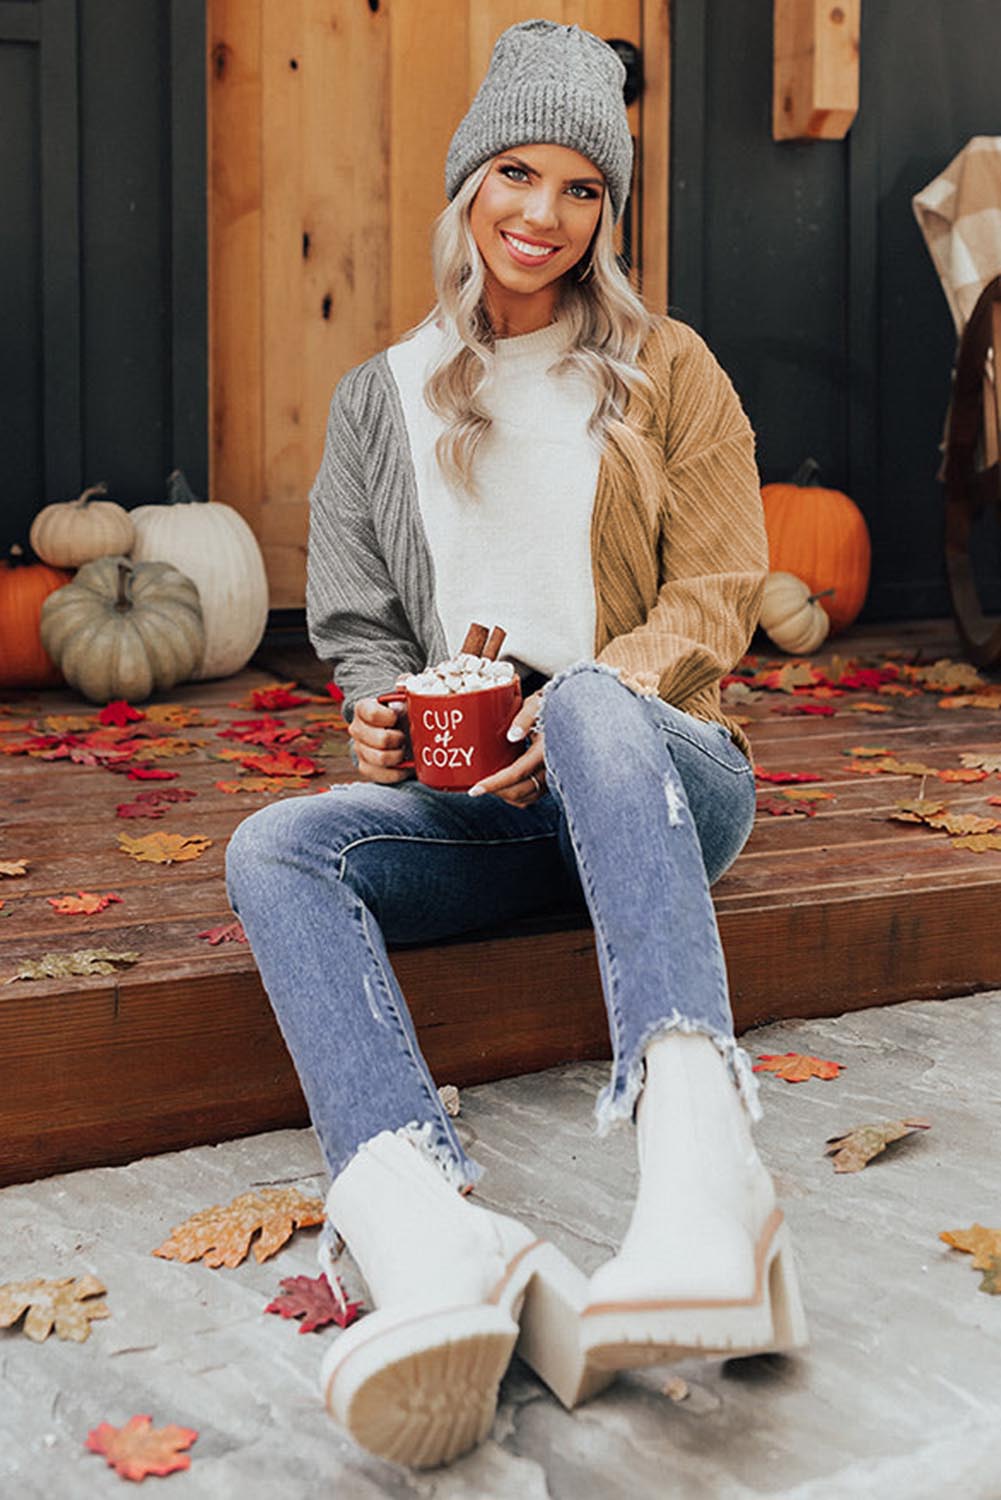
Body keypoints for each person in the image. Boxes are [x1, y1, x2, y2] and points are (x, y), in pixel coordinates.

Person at [225, 18, 807, 1472]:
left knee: (602, 705)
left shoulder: (667, 370)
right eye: (513, 175)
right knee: (277, 847)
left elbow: (719, 589)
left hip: (662, 767)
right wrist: (372, 708)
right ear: (464, 184)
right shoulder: (383, 397)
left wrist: (590, 695)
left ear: (609, 211)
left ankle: (703, 1181)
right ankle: (427, 1229)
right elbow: (356, 619)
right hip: (490, 805)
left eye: (579, 188)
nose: (540, 215)